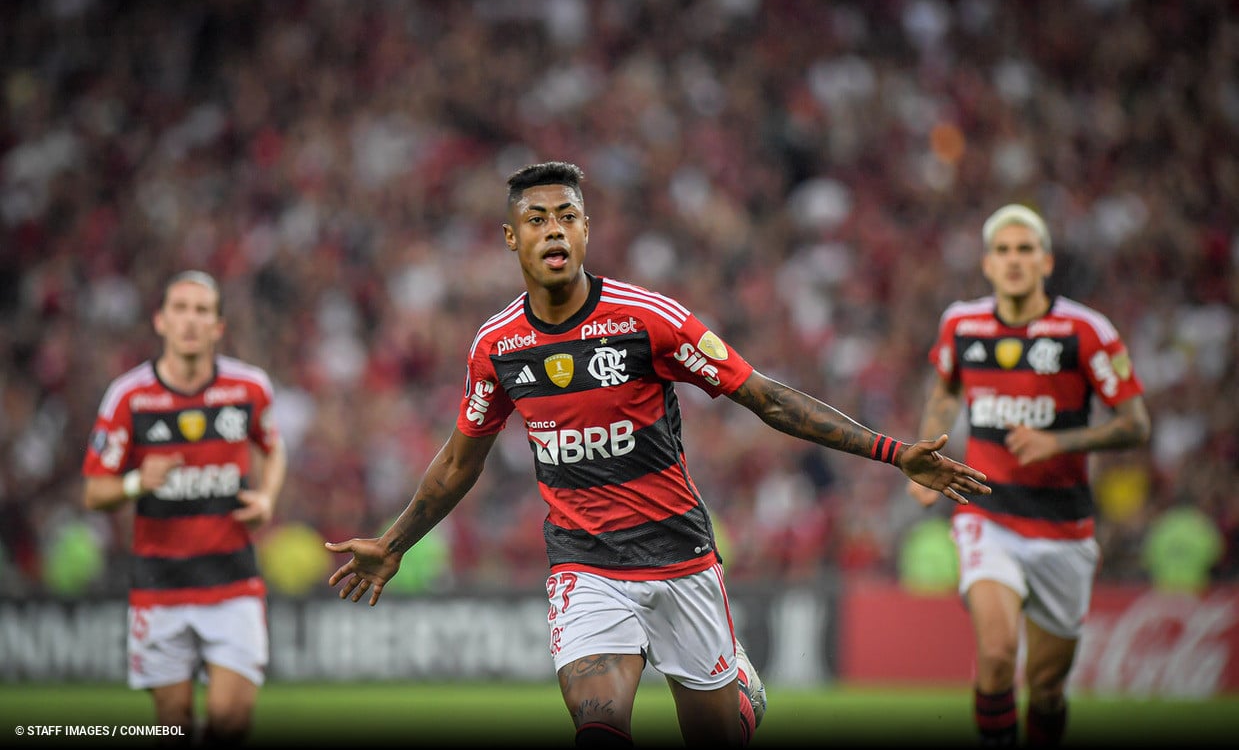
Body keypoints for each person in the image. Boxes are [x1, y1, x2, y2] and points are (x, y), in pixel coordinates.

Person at [326, 161, 990, 748]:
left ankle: (735, 701)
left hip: (680, 561)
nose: (553, 230)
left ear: (586, 231)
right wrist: (394, 544)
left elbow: (766, 399)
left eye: (567, 217)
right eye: (536, 219)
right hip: (585, 568)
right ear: (512, 238)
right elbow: (456, 463)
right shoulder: (497, 346)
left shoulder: (648, 319)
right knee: (599, 725)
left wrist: (893, 451)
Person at [907, 204, 1151, 747]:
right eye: (1003, 251)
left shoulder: (1086, 331)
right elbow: (946, 388)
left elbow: (1136, 424)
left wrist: (1059, 441)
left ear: (1046, 262)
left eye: (1025, 250)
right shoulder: (961, 324)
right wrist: (928, 456)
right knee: (996, 658)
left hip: (1065, 529)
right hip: (988, 514)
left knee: (1046, 688)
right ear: (987, 264)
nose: (1014, 260)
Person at [82, 270, 287, 745]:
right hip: (160, 588)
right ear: (160, 321)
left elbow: (273, 447)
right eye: (180, 309)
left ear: (218, 326)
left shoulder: (249, 388)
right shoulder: (128, 397)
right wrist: (136, 481)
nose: (190, 321)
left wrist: (268, 498)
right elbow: (94, 492)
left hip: (233, 582)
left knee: (229, 719)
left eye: (202, 311)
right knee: (173, 725)